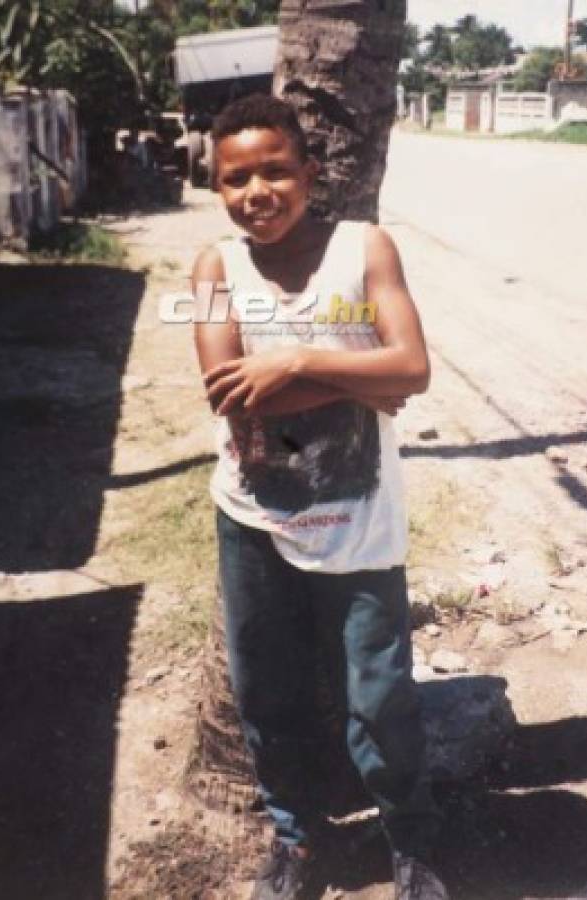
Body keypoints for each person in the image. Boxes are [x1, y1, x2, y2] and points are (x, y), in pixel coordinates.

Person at [192, 94, 448, 900]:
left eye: (275, 170)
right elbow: (225, 392)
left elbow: (411, 368)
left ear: (309, 172)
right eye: (236, 178)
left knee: (378, 695)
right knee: (265, 692)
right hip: (254, 518)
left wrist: (295, 363)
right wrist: (353, 381)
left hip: (360, 519)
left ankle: (410, 844)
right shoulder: (211, 270)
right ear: (216, 187)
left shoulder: (365, 251)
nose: (257, 191)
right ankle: (298, 841)